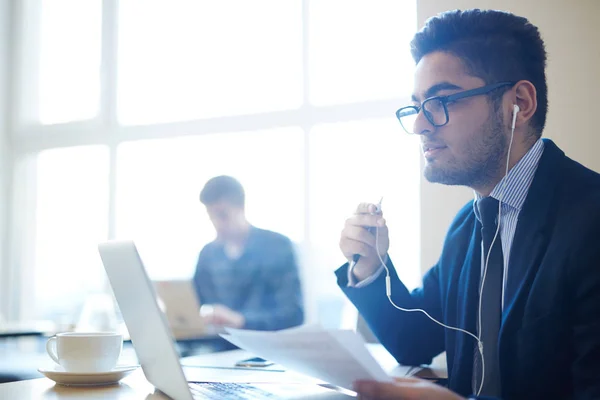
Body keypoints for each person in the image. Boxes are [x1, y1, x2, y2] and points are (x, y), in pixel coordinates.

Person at [336, 9, 600, 400]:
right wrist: (372, 267)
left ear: (520, 103)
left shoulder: (590, 217)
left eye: (441, 101)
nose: (420, 126)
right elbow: (416, 340)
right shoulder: (467, 226)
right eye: (417, 107)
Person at [193, 175, 304, 332]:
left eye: (222, 215)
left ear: (241, 208)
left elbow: (293, 314)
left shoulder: (277, 247)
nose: (217, 224)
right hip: (218, 347)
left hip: (266, 346)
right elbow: (194, 306)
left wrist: (241, 321)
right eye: (211, 217)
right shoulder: (208, 255)